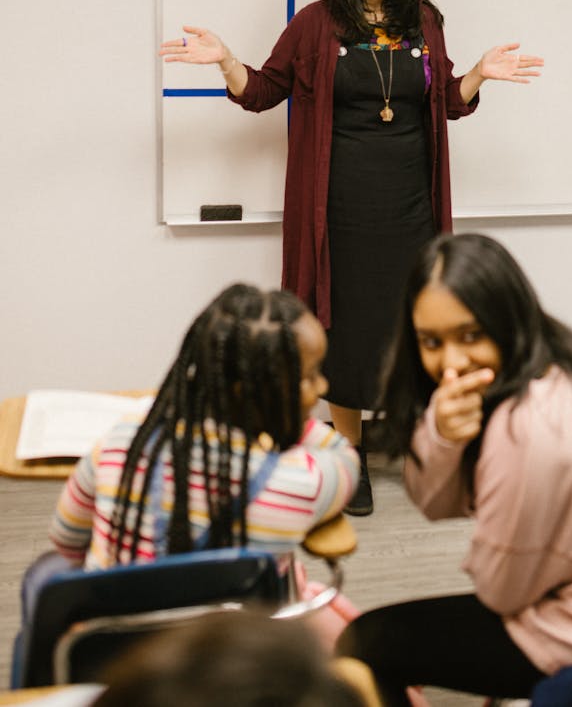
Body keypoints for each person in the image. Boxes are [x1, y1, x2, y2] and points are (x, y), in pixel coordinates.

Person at [159, 0, 543, 515]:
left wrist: (478, 75)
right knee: (347, 330)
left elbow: (444, 99)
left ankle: (425, 444)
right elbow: (263, 92)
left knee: (417, 324)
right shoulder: (316, 24)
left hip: (413, 207)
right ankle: (349, 452)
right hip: (338, 210)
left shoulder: (423, 20)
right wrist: (227, 60)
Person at [336, 233, 572, 706]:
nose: (451, 364)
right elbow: (434, 502)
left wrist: (485, 538)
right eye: (431, 342)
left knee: (364, 645)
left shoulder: (529, 425)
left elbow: (501, 593)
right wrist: (443, 436)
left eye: (471, 335)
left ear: (507, 322)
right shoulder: (559, 363)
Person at [14, 285, 359, 681]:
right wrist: (296, 423)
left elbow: (66, 541)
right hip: (236, 671)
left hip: (113, 673)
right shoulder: (297, 483)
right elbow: (345, 458)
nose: (323, 388)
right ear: (256, 390)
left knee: (45, 574)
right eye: (311, 377)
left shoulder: (119, 442)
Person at [89, 608, 376, 707]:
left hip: (103, 643)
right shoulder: (294, 481)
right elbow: (342, 476)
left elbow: (67, 540)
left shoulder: (108, 468)